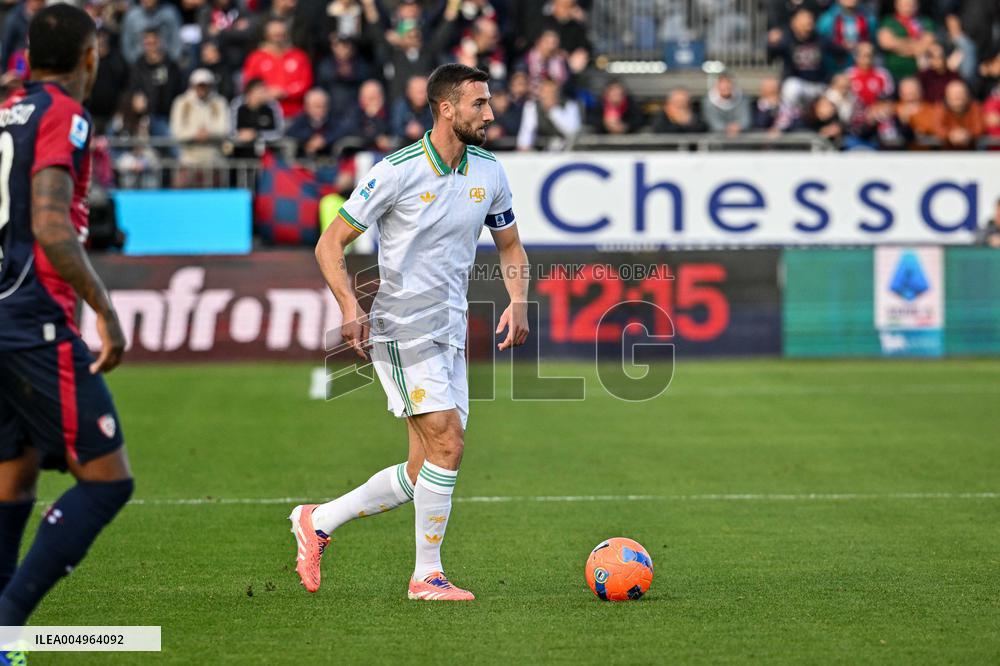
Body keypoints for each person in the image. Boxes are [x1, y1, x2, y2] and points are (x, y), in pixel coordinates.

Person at [294, 63, 530, 602]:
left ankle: (318, 520)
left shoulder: (489, 173)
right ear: (447, 109)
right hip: (402, 326)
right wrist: (349, 305)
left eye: (489, 103)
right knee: (448, 442)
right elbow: (329, 244)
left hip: (450, 330)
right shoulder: (395, 172)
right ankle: (427, 575)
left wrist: (518, 300)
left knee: (425, 467)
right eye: (479, 104)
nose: (490, 113)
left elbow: (510, 245)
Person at [0, 3, 133, 648]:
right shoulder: (62, 114)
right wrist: (106, 311)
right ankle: (8, 623)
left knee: (14, 472)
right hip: (33, 318)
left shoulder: (5, 110)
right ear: (89, 55)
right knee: (107, 479)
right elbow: (51, 226)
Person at [242, 18, 312, 119]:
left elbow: (306, 83)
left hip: (294, 113)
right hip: (264, 113)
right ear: (267, 36)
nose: (278, 39)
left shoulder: (299, 56)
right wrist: (266, 93)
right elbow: (249, 83)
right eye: (275, 35)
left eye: (281, 35)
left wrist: (285, 92)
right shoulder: (256, 58)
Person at [169, 68, 230, 166]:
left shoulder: (219, 102)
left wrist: (209, 133)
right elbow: (176, 130)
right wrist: (194, 134)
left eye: (205, 86)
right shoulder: (181, 102)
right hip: (187, 159)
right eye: (199, 86)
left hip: (213, 159)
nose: (202, 89)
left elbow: (225, 129)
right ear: (192, 85)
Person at [516, 76, 581, 150]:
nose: (548, 96)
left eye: (551, 92)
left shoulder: (569, 105)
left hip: (567, 149)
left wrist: (553, 111)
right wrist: (524, 147)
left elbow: (572, 131)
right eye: (545, 92)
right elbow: (527, 131)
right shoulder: (532, 106)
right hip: (542, 151)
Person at [877, 0, 935, 83]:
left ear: (917, 5)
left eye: (911, 4)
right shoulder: (888, 21)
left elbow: (924, 47)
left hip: (918, 74)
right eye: (904, 4)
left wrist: (897, 43)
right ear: (896, 5)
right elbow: (886, 43)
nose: (908, 7)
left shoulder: (925, 22)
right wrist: (914, 44)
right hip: (893, 73)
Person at [230, 77, 284, 158]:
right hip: (241, 156)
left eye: (264, 91)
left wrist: (257, 135)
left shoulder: (272, 106)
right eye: (260, 92)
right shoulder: (238, 105)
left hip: (267, 156)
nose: (264, 95)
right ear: (250, 93)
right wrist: (239, 136)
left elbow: (279, 133)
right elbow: (230, 132)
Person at [285, 87, 338, 157]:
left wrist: (324, 139)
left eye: (323, 106)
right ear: (307, 107)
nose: (320, 110)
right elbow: (290, 132)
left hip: (330, 159)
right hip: (303, 158)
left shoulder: (333, 118)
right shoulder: (301, 119)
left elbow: (341, 131)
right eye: (316, 106)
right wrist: (310, 139)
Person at [931, 79, 983, 149]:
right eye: (953, 94)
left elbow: (979, 127)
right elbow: (937, 127)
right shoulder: (940, 108)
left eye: (960, 93)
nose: (957, 96)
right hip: (947, 154)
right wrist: (950, 135)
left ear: (967, 96)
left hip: (970, 153)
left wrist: (967, 134)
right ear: (947, 97)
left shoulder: (975, 107)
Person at [390, 75, 433, 143]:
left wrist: (423, 130)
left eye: (424, 91)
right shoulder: (400, 106)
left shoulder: (433, 107)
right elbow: (394, 128)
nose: (422, 95)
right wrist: (406, 131)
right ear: (408, 92)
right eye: (418, 92)